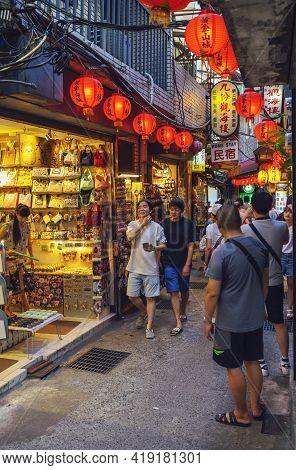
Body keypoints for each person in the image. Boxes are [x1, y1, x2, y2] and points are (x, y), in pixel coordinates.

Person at [204, 203, 269, 427]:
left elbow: (212, 293)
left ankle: (240, 414)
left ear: (220, 225)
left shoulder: (221, 252)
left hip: (229, 322)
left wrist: (207, 320)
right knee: (253, 362)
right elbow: (265, 282)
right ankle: (256, 407)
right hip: (254, 317)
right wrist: (258, 305)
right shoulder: (258, 247)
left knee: (233, 366)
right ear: (240, 222)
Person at [241, 191, 290, 376]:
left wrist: (246, 214)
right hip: (275, 280)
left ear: (252, 207)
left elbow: (233, 234)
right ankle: (285, 362)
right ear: (271, 207)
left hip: (254, 282)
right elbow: (285, 241)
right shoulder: (280, 226)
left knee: (256, 323)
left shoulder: (246, 230)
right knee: (278, 322)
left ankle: (261, 363)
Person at [126, 200, 166, 339]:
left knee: (150, 298)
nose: (142, 209)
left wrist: (155, 248)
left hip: (151, 267)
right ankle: (143, 312)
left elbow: (163, 245)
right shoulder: (133, 224)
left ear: (150, 210)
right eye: (139, 207)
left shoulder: (157, 227)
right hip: (135, 267)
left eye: (145, 206)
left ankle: (149, 327)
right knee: (132, 296)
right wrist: (142, 225)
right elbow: (130, 236)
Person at [162, 197, 195, 335]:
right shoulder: (164, 224)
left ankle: (183, 311)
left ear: (181, 211)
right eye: (171, 209)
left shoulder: (188, 224)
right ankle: (178, 321)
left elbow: (191, 245)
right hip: (169, 262)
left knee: (184, 290)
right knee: (173, 291)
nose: (173, 212)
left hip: (183, 262)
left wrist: (187, 264)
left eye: (176, 209)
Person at [0, 204, 34, 314]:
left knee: (21, 287)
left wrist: (32, 258)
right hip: (10, 263)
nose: (24, 219)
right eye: (22, 217)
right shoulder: (7, 226)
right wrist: (5, 253)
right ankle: (8, 309)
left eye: (26, 217)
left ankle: (10, 308)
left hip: (21, 261)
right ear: (16, 214)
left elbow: (29, 243)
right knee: (14, 287)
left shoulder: (27, 226)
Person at [281, 203, 293, 319]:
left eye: (290, 211)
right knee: (276, 284)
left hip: (292, 257)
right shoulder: (280, 226)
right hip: (279, 256)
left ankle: (289, 308)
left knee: (291, 285)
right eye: (286, 211)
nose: (287, 214)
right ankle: (278, 307)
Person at [204, 203, 223, 269]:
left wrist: (206, 263)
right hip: (226, 256)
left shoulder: (210, 227)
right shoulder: (228, 226)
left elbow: (208, 247)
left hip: (214, 257)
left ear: (212, 215)